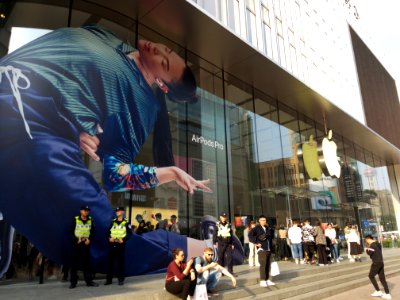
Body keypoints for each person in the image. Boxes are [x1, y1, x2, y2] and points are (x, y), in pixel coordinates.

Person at [0, 24, 211, 275]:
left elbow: (115, 174)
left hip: (31, 118)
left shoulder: (142, 107)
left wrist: (171, 172)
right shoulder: (110, 37)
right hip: (17, 95)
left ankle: (202, 250)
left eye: (163, 62)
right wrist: (72, 120)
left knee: (102, 233)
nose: (158, 51)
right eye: (167, 50)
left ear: (162, 86)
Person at [69, 206, 98, 289]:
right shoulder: (75, 220)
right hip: (77, 244)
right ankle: (73, 282)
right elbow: (70, 232)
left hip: (86, 244)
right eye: (85, 210)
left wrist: (90, 240)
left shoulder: (91, 220)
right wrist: (75, 240)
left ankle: (89, 281)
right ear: (81, 211)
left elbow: (93, 232)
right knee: (74, 264)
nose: (86, 212)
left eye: (87, 211)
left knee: (87, 264)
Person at [105, 207, 132, 286]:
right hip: (112, 244)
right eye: (116, 211)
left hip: (120, 245)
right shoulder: (113, 222)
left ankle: (121, 279)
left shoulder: (126, 222)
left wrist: (123, 239)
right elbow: (108, 232)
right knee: (110, 263)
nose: (117, 212)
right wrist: (109, 238)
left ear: (123, 212)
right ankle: (108, 280)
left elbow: (130, 234)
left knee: (120, 263)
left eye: (119, 211)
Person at [249, 215, 276, 287]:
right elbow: (250, 235)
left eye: (265, 220)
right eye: (262, 220)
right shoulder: (256, 228)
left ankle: (267, 279)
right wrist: (256, 243)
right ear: (259, 221)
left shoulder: (267, 228)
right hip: (262, 249)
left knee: (268, 265)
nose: (264, 221)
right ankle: (262, 280)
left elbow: (271, 238)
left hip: (269, 249)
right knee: (263, 265)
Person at [365, 235, 392, 299]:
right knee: (382, 278)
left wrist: (366, 249)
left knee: (371, 276)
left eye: (366, 241)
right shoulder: (378, 244)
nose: (367, 242)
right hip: (381, 262)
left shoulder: (372, 245)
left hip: (376, 263)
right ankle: (387, 293)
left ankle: (378, 291)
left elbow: (369, 253)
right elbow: (375, 251)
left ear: (368, 239)